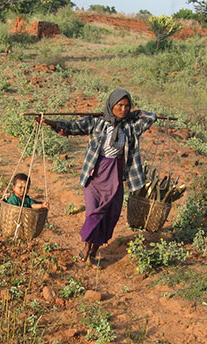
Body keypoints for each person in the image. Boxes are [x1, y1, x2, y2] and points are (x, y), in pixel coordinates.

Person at [41, 89, 158, 266]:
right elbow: (73, 127)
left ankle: (94, 250)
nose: (123, 109)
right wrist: (51, 123)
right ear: (111, 105)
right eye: (119, 105)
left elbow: (151, 116)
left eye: (127, 106)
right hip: (95, 174)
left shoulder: (130, 127)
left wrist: (134, 114)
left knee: (110, 214)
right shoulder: (97, 123)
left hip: (115, 175)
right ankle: (87, 246)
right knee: (94, 212)